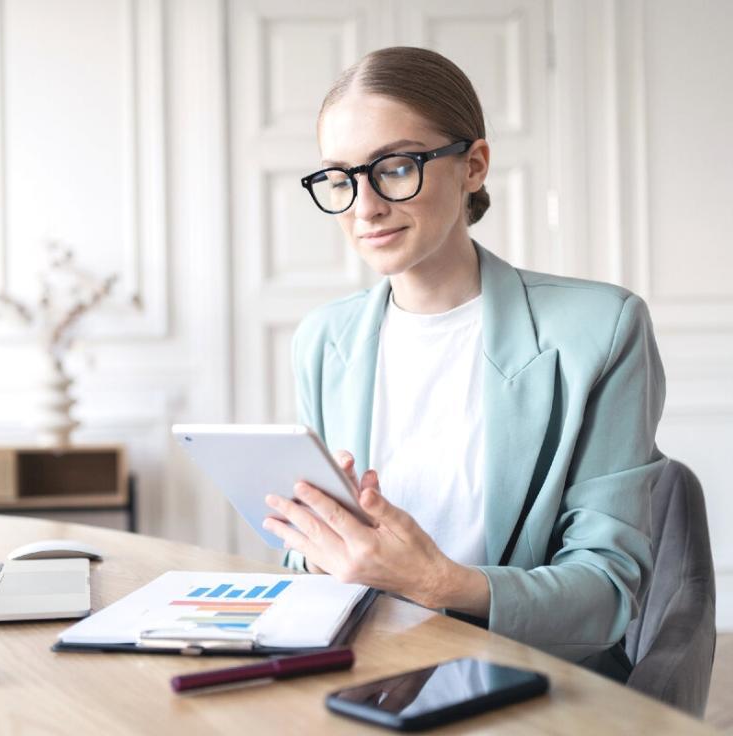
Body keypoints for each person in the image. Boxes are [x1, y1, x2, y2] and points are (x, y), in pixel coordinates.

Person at [261, 46, 666, 681]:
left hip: (528, 680)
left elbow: (607, 594)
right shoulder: (323, 339)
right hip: (366, 668)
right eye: (340, 178)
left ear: (473, 166)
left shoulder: (600, 330)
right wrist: (322, 548)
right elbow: (302, 564)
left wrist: (440, 583)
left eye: (394, 167)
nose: (364, 207)